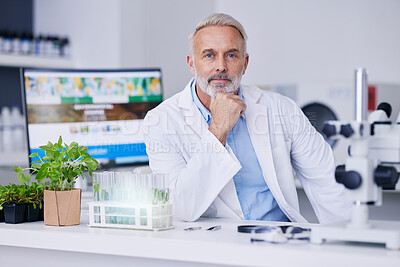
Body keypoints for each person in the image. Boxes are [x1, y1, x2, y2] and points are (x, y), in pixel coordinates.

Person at [143, 13, 352, 224]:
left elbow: (327, 182)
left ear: (245, 63)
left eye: (231, 55)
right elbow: (182, 208)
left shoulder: (281, 108)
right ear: (191, 64)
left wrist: (350, 243)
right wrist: (218, 129)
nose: (221, 66)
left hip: (279, 240)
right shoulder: (160, 121)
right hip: (212, 246)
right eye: (209, 55)